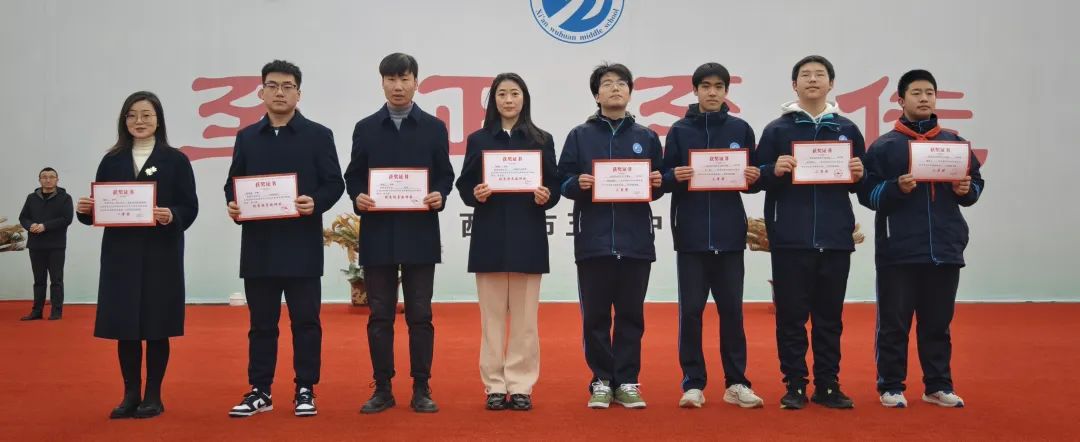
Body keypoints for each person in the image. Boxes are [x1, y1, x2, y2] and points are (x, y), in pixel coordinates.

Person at [224, 60, 345, 418]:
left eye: (287, 86)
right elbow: (233, 183)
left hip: (301, 245)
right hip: (259, 247)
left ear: (298, 93)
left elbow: (334, 183)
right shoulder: (247, 137)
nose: (280, 92)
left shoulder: (318, 135)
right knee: (261, 324)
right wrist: (234, 205)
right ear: (261, 92)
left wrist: (315, 202)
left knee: (306, 322)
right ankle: (260, 390)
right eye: (272, 86)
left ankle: (305, 388)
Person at [858, 69, 984, 409]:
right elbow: (867, 194)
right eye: (916, 93)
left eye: (929, 92)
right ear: (901, 100)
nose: (924, 98)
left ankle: (937, 385)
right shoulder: (884, 146)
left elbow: (975, 184)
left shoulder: (954, 143)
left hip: (945, 247)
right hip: (898, 250)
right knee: (894, 324)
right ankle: (891, 385)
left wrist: (966, 189)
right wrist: (896, 188)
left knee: (938, 324)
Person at [75, 91, 199, 419]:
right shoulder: (112, 160)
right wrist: (86, 210)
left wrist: (171, 215)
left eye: (146, 115)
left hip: (161, 254)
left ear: (159, 120)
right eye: (132, 115)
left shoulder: (176, 160)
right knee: (126, 325)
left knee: (157, 325)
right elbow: (101, 208)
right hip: (121, 255)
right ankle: (130, 394)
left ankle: (153, 395)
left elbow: (190, 206)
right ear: (124, 121)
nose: (139, 121)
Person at [344, 52, 454, 414]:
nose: (398, 86)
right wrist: (358, 196)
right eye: (391, 79)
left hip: (420, 233)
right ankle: (383, 388)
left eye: (404, 79)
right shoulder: (366, 127)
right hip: (378, 233)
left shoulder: (434, 128)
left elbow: (445, 175)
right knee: (380, 315)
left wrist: (439, 194)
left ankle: (421, 387)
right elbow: (353, 175)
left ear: (416, 83)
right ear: (382, 83)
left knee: (420, 315)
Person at [754, 55, 865, 410]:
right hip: (790, 239)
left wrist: (859, 173)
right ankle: (795, 384)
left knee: (829, 319)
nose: (813, 80)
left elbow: (861, 187)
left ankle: (828, 384)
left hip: (835, 239)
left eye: (820, 75)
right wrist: (773, 169)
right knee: (791, 318)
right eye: (805, 75)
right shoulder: (777, 130)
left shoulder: (847, 129)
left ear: (831, 84)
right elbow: (754, 178)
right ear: (794, 85)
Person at [557, 62, 663, 409]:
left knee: (631, 316)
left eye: (621, 83)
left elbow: (658, 183)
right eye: (607, 83)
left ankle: (628, 381)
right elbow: (562, 181)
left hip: (636, 242)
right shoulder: (580, 136)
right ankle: (601, 381)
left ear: (630, 92)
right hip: (594, 241)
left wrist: (657, 183)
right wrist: (578, 183)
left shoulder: (646, 137)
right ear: (596, 94)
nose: (615, 88)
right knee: (596, 318)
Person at [660, 62, 764, 409]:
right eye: (705, 86)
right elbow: (662, 179)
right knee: (690, 312)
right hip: (691, 236)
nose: (712, 92)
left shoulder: (740, 129)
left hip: (729, 235)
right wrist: (675, 176)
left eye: (719, 86)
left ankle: (737, 382)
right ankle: (693, 384)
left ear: (726, 92)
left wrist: (753, 177)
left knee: (732, 312)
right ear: (695, 91)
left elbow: (752, 181)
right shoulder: (679, 130)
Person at [454, 73, 560, 411]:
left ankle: (521, 384)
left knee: (526, 321)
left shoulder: (541, 139)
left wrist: (546, 195)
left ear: (524, 98)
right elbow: (464, 185)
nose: (509, 100)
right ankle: (495, 386)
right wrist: (476, 192)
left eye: (515, 93)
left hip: (528, 236)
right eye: (502, 94)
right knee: (492, 320)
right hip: (489, 237)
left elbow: (555, 186)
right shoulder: (479, 139)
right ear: (493, 100)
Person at [18, 167, 73, 320]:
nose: (48, 180)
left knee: (56, 280)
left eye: (51, 177)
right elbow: (23, 217)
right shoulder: (31, 198)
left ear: (57, 179)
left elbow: (66, 219)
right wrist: (30, 225)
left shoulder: (65, 198)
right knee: (39, 281)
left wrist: (45, 226)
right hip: (36, 245)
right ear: (39, 180)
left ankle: (56, 311)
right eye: (44, 177)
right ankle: (37, 311)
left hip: (56, 246)